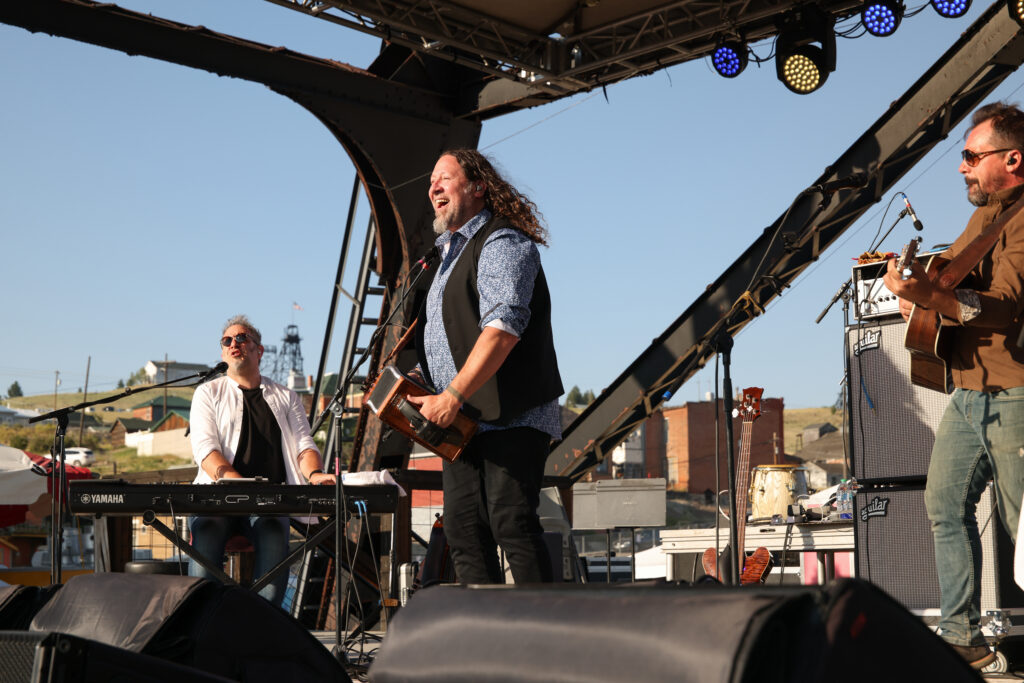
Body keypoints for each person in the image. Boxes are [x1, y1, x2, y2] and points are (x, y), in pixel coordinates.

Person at [884, 102, 1024, 670]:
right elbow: (952, 285)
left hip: (1015, 392)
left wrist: (933, 298)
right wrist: (917, 289)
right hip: (969, 393)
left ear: (1012, 159)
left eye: (971, 156)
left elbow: (1004, 308)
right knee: (944, 504)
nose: (962, 167)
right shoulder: (983, 218)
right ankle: (964, 640)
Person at [405, 149, 563, 584]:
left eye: (445, 178)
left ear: (478, 187)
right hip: (464, 419)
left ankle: (544, 640)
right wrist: (423, 380)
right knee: (463, 530)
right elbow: (452, 336)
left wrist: (452, 394)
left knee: (510, 521)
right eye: (431, 181)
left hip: (510, 413)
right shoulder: (443, 256)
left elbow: (502, 329)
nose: (433, 187)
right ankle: (489, 639)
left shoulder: (502, 241)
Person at [188, 315, 335, 605]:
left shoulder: (287, 396)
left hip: (268, 502)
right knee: (207, 529)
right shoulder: (207, 393)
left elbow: (304, 446)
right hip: (219, 498)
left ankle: (261, 628)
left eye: (242, 338)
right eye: (227, 341)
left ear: (259, 350)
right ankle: (199, 626)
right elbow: (206, 450)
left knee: (272, 533)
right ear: (222, 353)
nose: (234, 344)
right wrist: (234, 481)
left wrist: (315, 474)